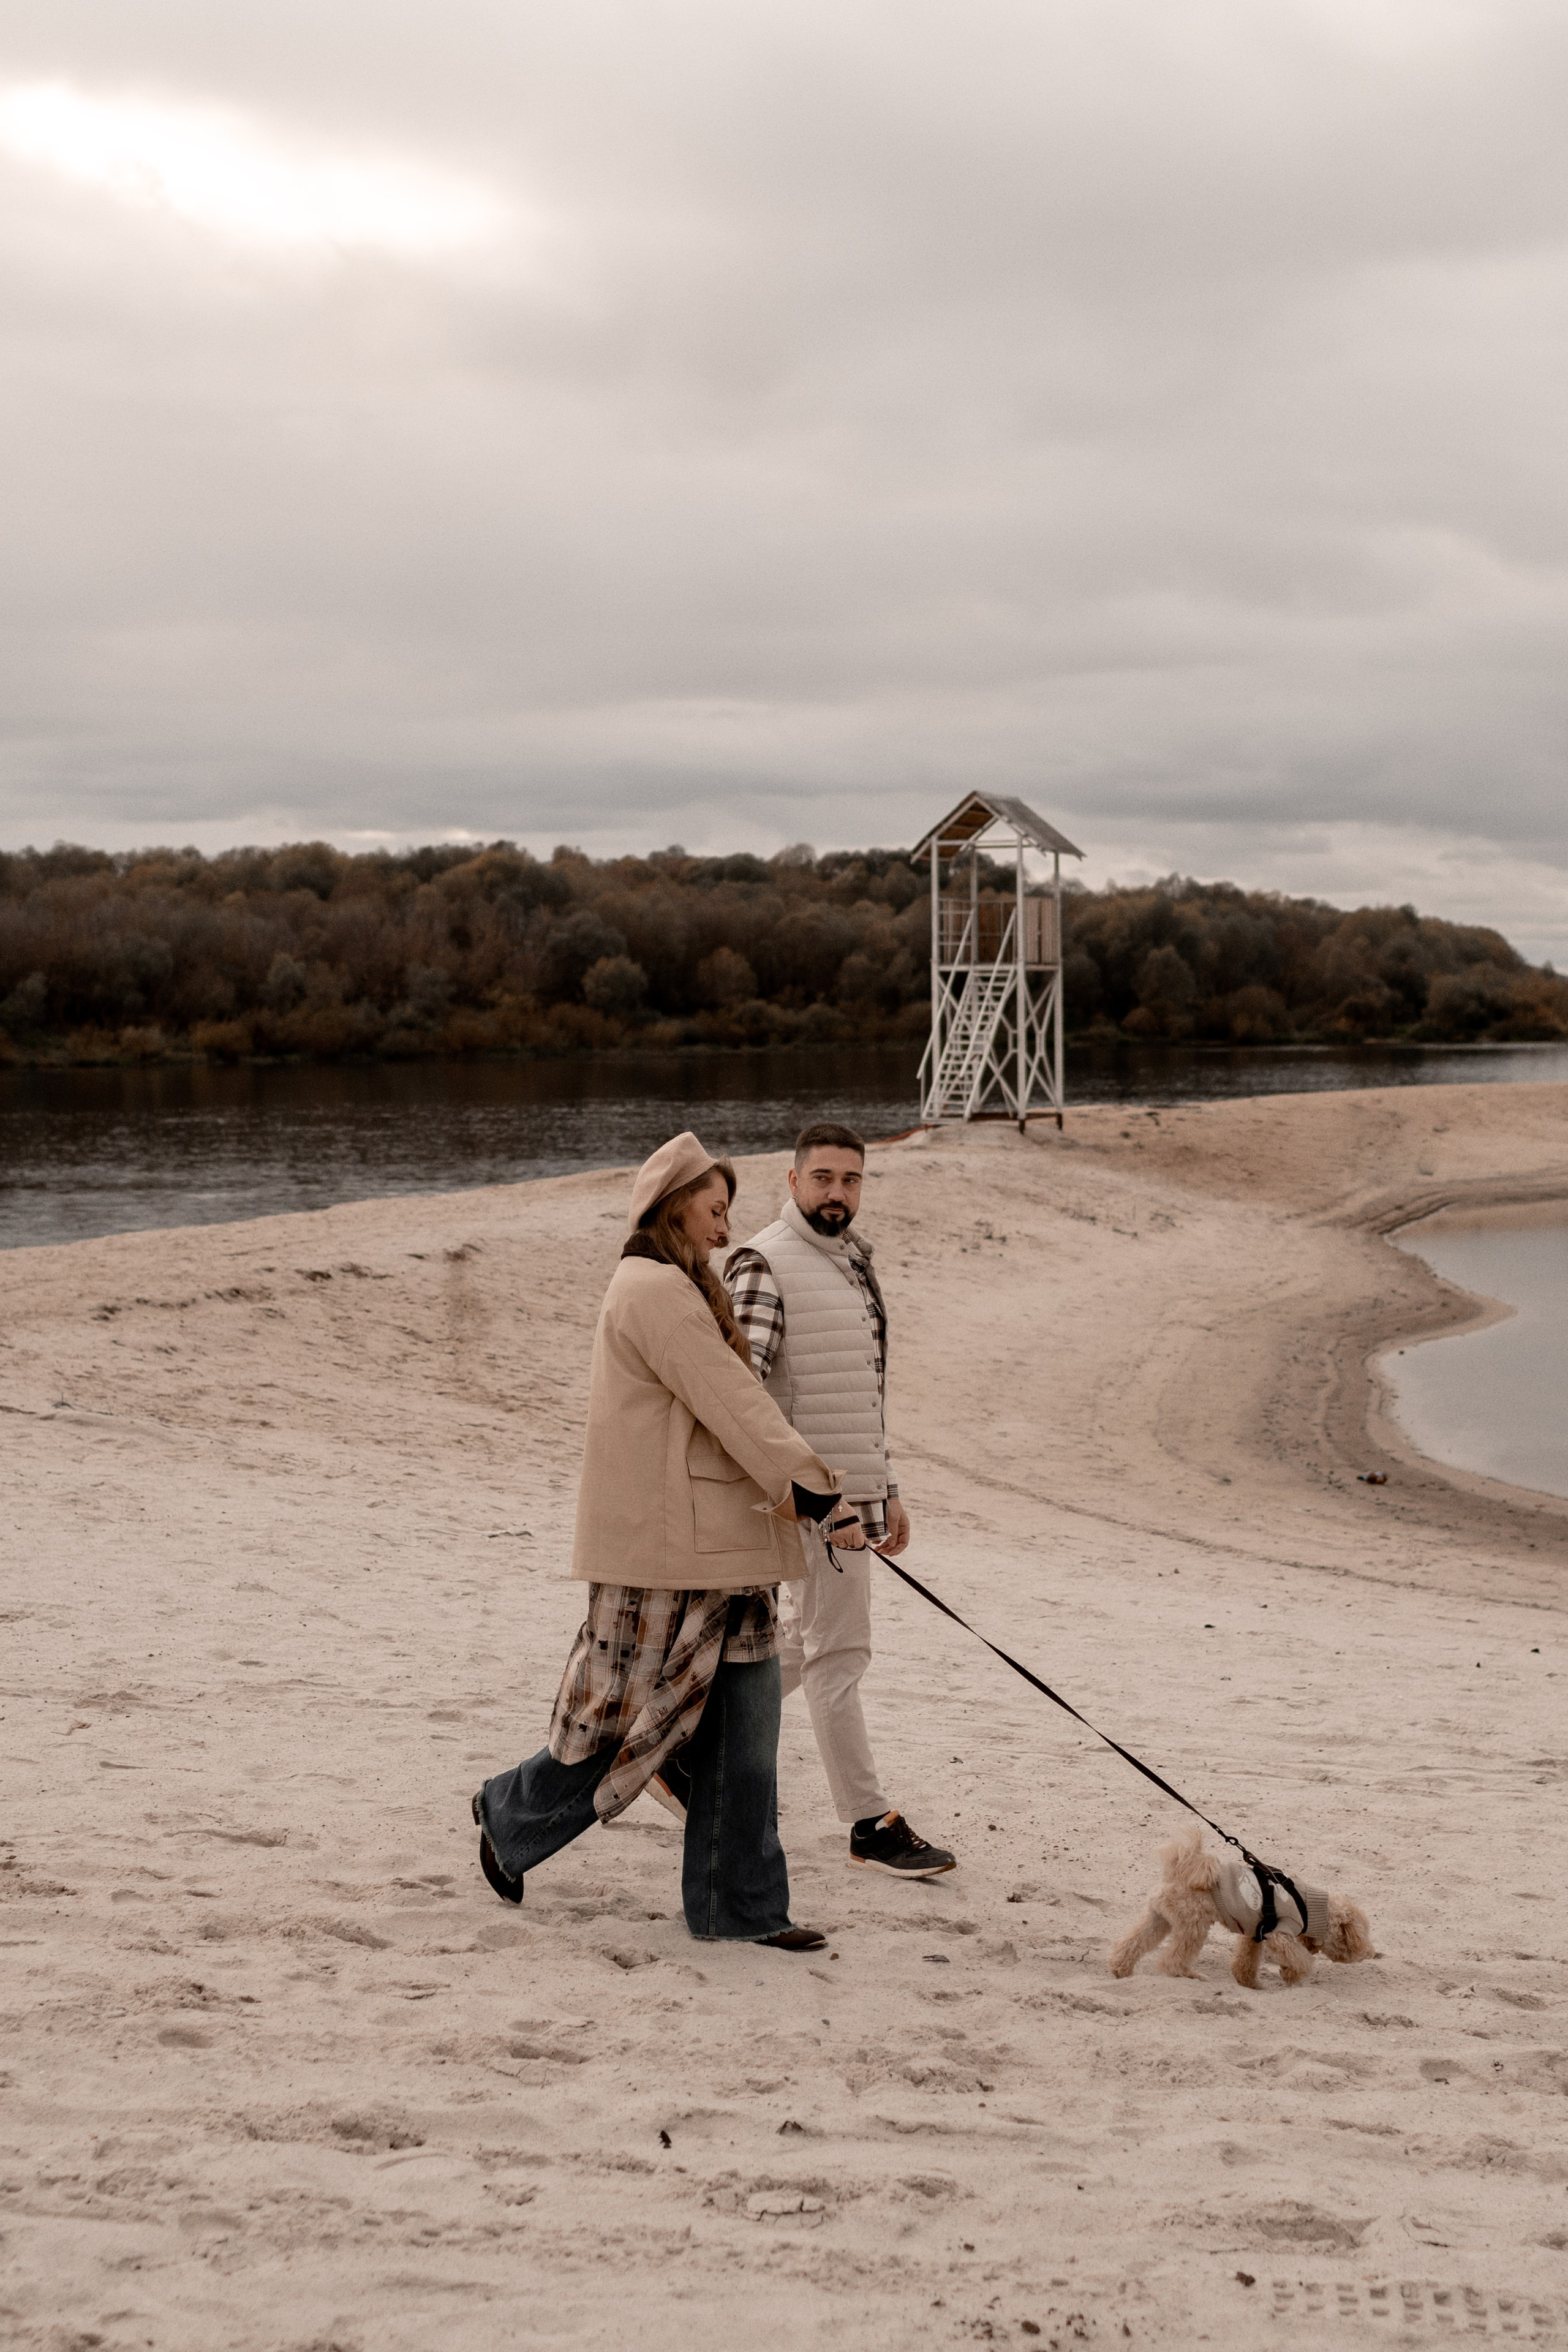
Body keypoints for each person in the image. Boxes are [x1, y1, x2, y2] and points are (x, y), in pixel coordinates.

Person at [472, 1130, 862, 1950]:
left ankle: (741, 1910)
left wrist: (808, 1491)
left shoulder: (683, 1286)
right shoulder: (654, 1290)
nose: (726, 1220)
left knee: (746, 1739)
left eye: (728, 1205)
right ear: (672, 1205)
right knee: (616, 1724)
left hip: (726, 1545)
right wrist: (816, 1487)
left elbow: (732, 1411)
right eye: (713, 1203)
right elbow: (737, 1406)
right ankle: (508, 1814)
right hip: (663, 1553)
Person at [720, 1121, 956, 1880]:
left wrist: (885, 1489)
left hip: (851, 1501)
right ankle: (866, 1822)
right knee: (839, 1657)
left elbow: (858, 1394)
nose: (837, 1193)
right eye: (822, 1178)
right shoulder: (763, 1262)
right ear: (791, 1182)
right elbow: (738, 1396)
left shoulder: (852, 1261)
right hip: (812, 1506)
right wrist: (812, 1496)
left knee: (800, 1647)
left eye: (850, 1180)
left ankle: (679, 1744)